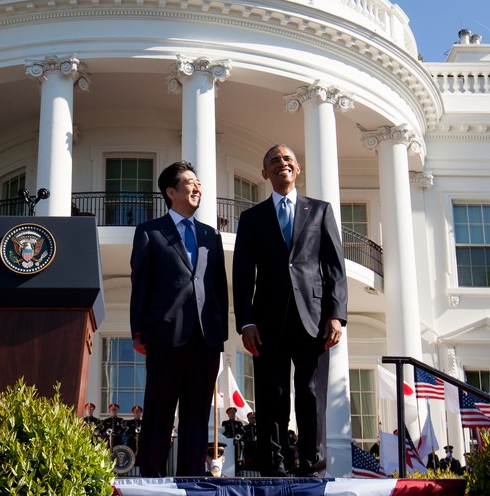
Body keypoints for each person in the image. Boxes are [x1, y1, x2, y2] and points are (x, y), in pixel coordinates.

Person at [233, 144, 348, 478]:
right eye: (273, 161)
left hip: (313, 320)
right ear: (265, 173)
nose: (281, 164)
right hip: (267, 323)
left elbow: (334, 267)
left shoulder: (320, 211)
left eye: (287, 160)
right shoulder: (252, 218)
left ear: (297, 169)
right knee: (273, 395)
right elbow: (243, 274)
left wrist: (336, 315)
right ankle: (274, 463)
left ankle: (312, 463)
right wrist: (246, 322)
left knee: (310, 394)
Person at [130, 160, 229, 477]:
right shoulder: (150, 232)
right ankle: (152, 477)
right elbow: (140, 285)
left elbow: (217, 287)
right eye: (190, 182)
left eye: (199, 182)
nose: (197, 187)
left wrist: (220, 332)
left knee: (197, 414)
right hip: (164, 336)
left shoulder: (209, 235)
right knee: (159, 411)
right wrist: (137, 331)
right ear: (171, 192)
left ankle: (192, 478)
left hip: (205, 338)